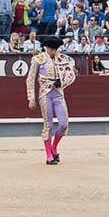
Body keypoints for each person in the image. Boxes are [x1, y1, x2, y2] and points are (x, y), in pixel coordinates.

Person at [27, 36, 76, 165]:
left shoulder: (62, 58)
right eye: (51, 49)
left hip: (58, 93)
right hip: (45, 94)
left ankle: (54, 147)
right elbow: (30, 79)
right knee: (48, 125)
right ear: (46, 47)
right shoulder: (38, 59)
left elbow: (71, 74)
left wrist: (62, 82)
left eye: (55, 49)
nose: (54, 51)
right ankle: (48, 155)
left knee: (64, 124)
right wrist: (31, 97)